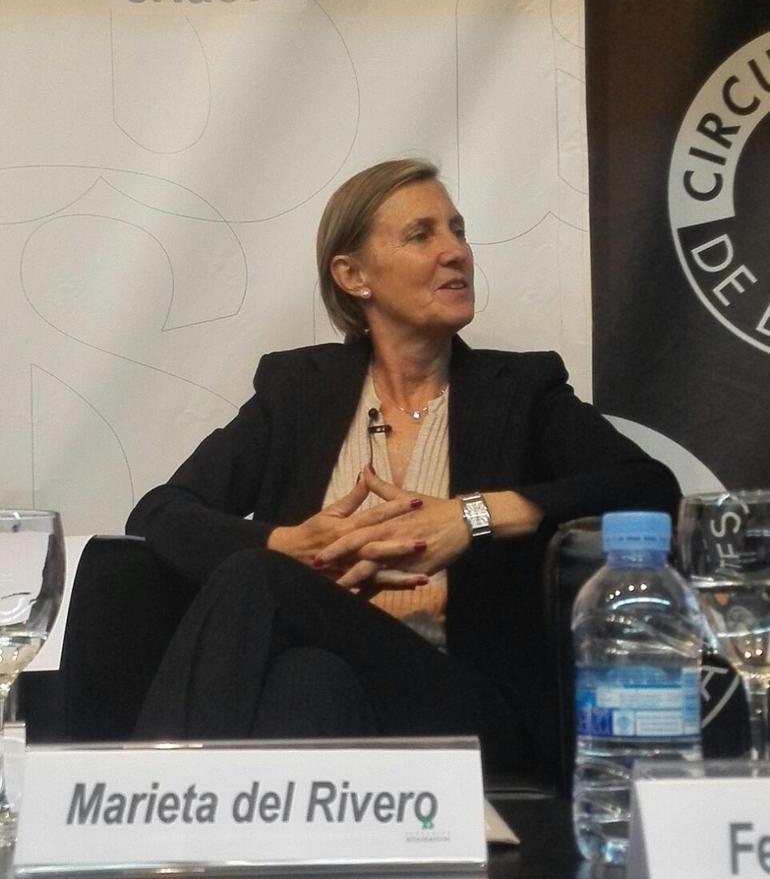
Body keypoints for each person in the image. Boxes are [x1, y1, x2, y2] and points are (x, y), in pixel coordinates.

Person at [126, 158, 679, 775]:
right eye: (421, 235)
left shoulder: (521, 391)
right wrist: (288, 544)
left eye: (458, 230)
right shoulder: (299, 391)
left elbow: (651, 488)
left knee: (258, 581)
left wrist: (475, 516)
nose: (455, 252)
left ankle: (147, 798)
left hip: (468, 705)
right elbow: (160, 514)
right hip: (334, 690)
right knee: (307, 678)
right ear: (353, 275)